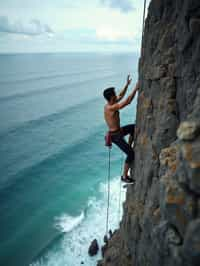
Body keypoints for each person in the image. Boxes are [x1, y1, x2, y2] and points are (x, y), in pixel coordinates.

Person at [103, 75, 139, 183]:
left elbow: (121, 96)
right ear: (111, 97)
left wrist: (127, 85)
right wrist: (135, 89)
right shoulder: (110, 108)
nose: (116, 95)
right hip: (116, 136)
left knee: (133, 127)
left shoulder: (111, 103)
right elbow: (127, 101)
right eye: (114, 94)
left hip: (119, 131)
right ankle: (124, 176)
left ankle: (129, 143)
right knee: (131, 154)